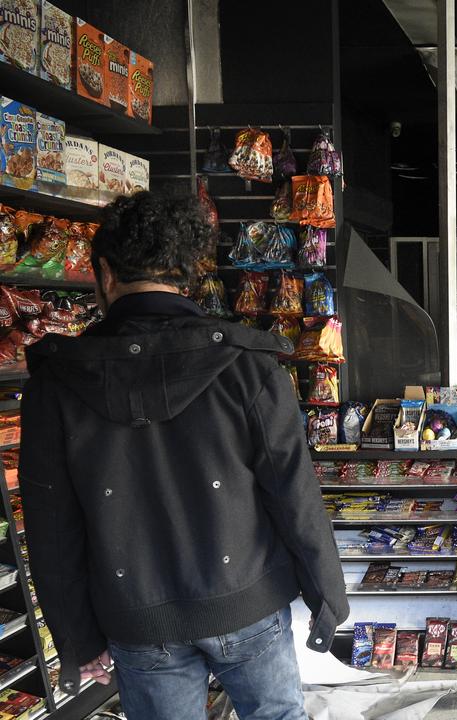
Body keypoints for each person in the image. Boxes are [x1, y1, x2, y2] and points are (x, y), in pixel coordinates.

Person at [19, 191, 349, 719]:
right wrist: (327, 598)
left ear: (104, 274)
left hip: (138, 622)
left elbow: (51, 529)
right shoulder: (249, 367)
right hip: (248, 600)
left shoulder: (54, 385)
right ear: (187, 272)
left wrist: (78, 638)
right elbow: (294, 494)